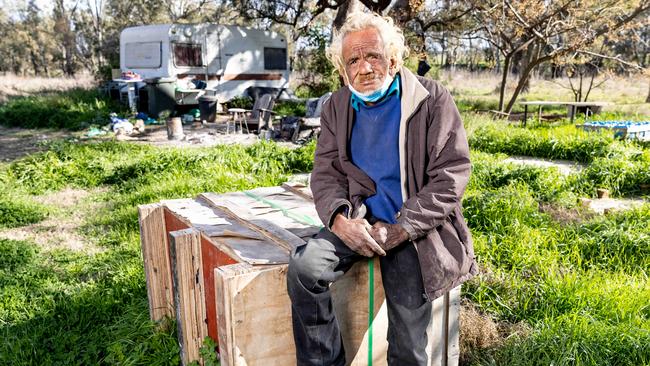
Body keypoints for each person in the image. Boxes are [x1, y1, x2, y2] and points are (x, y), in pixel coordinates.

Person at [287, 11, 478, 366]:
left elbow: (450, 175)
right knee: (306, 269)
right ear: (344, 70)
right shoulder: (338, 106)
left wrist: (401, 228)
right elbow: (325, 174)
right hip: (359, 218)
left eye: (372, 56)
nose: (364, 68)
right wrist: (341, 221)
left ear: (393, 58)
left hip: (411, 228)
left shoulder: (430, 99)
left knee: (408, 342)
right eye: (353, 61)